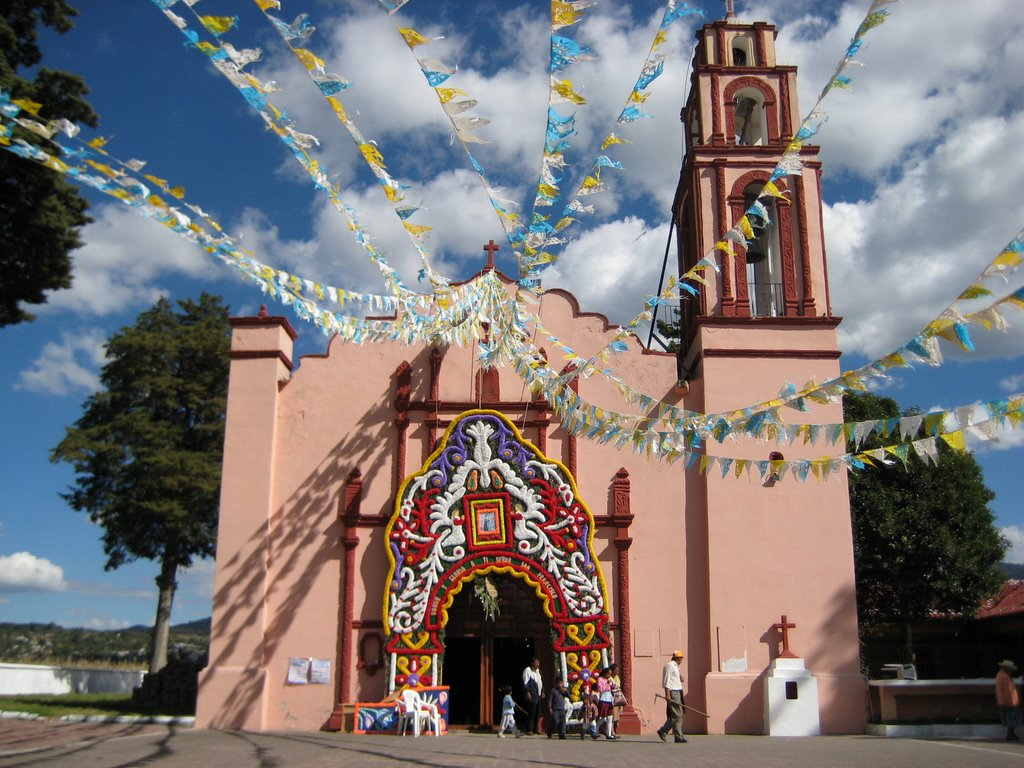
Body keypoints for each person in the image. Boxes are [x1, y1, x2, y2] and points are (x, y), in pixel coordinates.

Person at [656, 649, 688, 744]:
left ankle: (678, 736)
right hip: (673, 692)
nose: (682, 660)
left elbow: (674, 678)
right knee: (676, 714)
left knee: (679, 714)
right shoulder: (669, 665)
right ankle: (663, 730)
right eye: (681, 658)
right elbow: (666, 680)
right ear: (677, 658)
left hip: (678, 690)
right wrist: (667, 693)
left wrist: (680, 677)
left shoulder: (676, 667)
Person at [996, 659, 1022, 741]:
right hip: (1008, 702)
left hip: (1005, 701)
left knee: (1010, 720)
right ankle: (1010, 735)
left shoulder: (1000, 675)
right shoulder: (1004, 676)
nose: (1011, 671)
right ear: (1006, 668)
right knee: (1011, 719)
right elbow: (1008, 691)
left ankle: (1011, 734)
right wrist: (1011, 701)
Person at [595, 667, 618, 739]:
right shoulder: (600, 679)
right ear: (604, 674)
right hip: (603, 699)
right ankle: (595, 728)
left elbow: (612, 687)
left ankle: (609, 734)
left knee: (610, 717)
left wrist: (613, 685)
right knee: (604, 718)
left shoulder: (609, 679)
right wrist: (607, 685)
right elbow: (600, 689)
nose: (609, 676)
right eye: (608, 674)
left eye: (610, 674)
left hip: (610, 699)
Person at [522, 657, 543, 734]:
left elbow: (540, 682)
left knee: (538, 712)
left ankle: (536, 729)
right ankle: (529, 729)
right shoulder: (528, 670)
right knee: (532, 712)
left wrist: (542, 691)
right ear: (532, 663)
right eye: (536, 663)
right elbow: (525, 682)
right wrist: (527, 692)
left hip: (539, 694)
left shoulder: (538, 671)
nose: (537, 664)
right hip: (532, 694)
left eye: (538, 663)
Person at [608, 662, 626, 727]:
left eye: (618, 671)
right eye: (616, 670)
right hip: (610, 697)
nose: (617, 672)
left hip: (617, 697)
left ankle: (613, 727)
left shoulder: (617, 677)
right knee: (610, 715)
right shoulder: (609, 678)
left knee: (616, 713)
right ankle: (611, 730)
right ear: (612, 671)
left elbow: (617, 686)